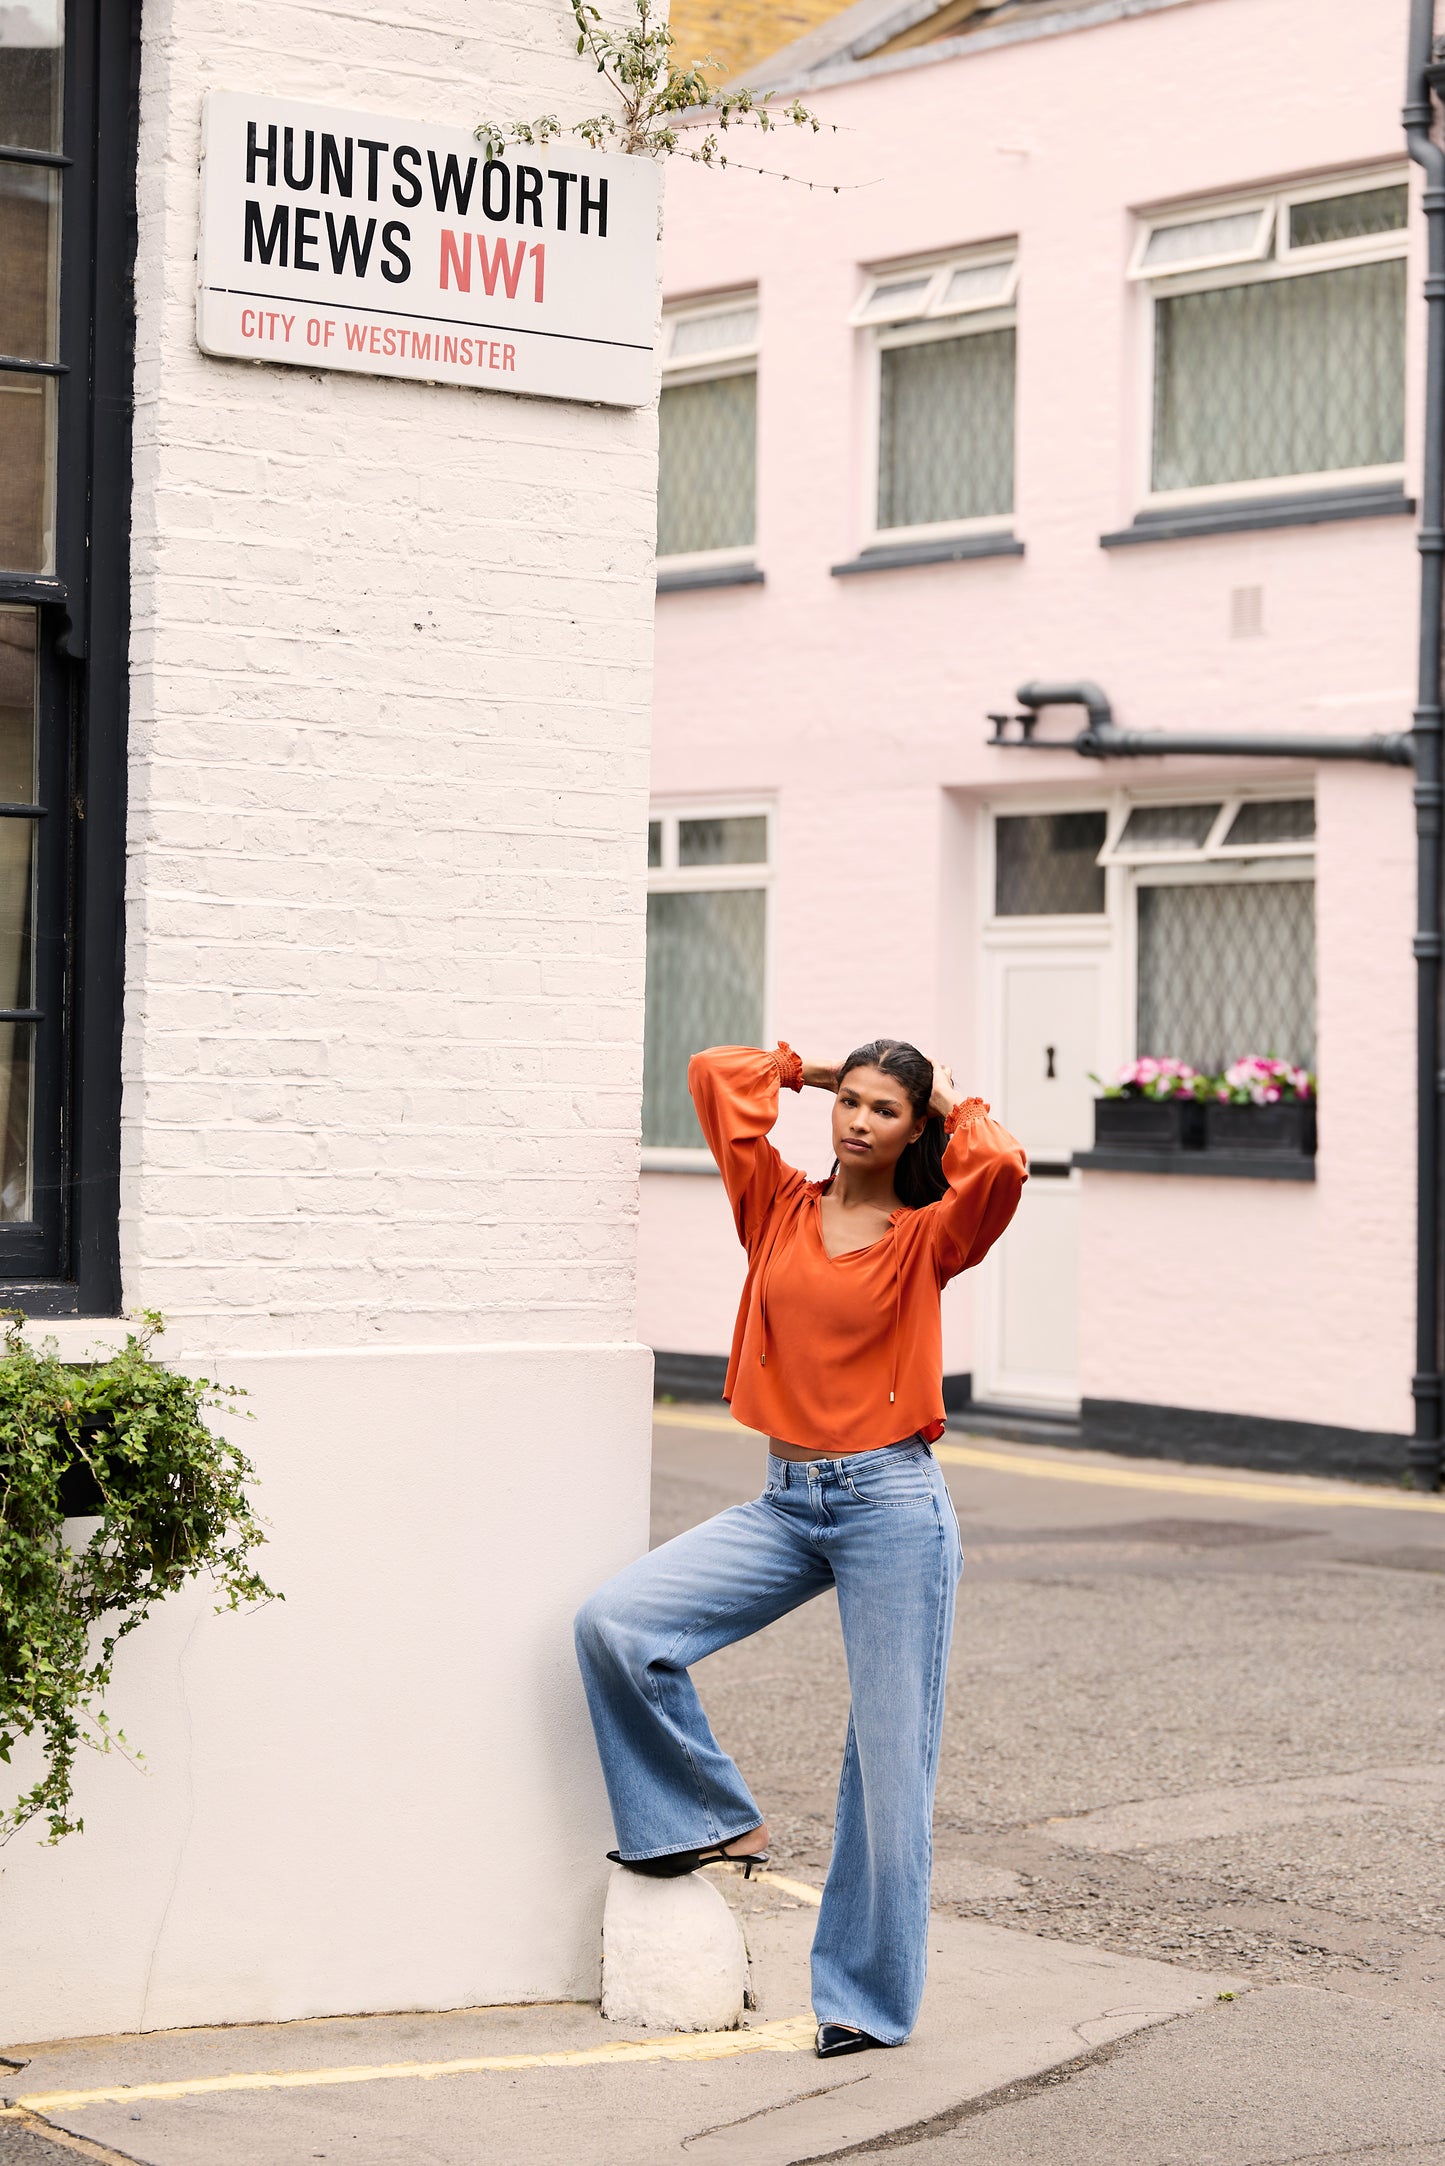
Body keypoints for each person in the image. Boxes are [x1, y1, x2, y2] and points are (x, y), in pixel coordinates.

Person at [574, 1039, 1027, 2057]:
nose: (859, 1121)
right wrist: (814, 1072)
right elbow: (711, 1075)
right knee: (616, 1625)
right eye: (850, 1104)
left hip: (888, 1504)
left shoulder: (926, 1236)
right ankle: (702, 1813)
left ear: (915, 1130)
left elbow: (997, 1168)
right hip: (785, 1502)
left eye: (883, 1110)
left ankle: (863, 2002)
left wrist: (953, 1101)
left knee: (886, 1762)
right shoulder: (774, 1205)